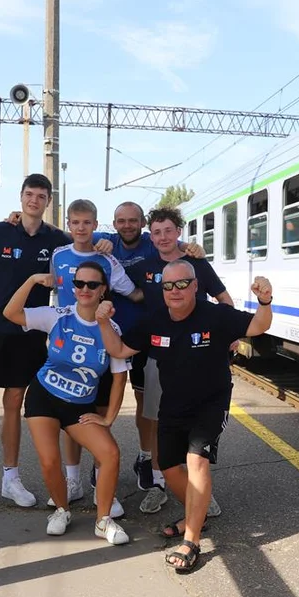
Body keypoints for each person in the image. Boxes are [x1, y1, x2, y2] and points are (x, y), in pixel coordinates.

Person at [96, 262, 274, 572]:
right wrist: (102, 321)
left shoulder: (216, 315)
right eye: (168, 286)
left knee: (196, 460)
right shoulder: (155, 320)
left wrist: (265, 301)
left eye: (182, 284)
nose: (175, 291)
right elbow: (120, 350)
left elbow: (259, 326)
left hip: (211, 403)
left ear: (195, 286)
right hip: (173, 404)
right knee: (167, 466)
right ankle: (197, 517)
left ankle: (191, 540)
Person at [0, 173, 70, 521]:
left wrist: (103, 243)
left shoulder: (56, 241)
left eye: (41, 196)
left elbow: (83, 242)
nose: (34, 200)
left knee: (14, 405)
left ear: (48, 202)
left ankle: (11, 478)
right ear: (21, 197)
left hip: (28, 332)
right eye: (29, 194)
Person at [3, 261, 131, 545]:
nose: (84, 289)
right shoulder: (57, 315)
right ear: (73, 288)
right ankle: (62, 510)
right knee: (50, 461)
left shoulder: (111, 328)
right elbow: (11, 313)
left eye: (92, 284)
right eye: (79, 283)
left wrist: (108, 418)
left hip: (80, 406)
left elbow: (119, 378)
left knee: (110, 453)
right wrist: (32, 280)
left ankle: (103, 521)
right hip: (44, 397)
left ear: (103, 290)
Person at [92, 202, 206, 510]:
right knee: (107, 403)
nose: (127, 225)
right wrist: (22, 218)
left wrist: (191, 247)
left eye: (133, 220)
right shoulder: (106, 240)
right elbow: (74, 231)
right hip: (115, 335)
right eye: (121, 221)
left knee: (152, 406)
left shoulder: (151, 241)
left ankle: (150, 461)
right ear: (113, 223)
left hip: (150, 339)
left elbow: (173, 247)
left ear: (142, 223)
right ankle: (103, 461)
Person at [127, 207, 233, 516]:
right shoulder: (144, 267)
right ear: (150, 236)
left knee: (199, 427)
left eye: (168, 231)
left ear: (179, 232)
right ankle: (158, 483)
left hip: (200, 358)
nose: (163, 237)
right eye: (156, 232)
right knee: (158, 420)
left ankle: (199, 491)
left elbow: (224, 300)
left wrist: (230, 333)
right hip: (159, 357)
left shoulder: (196, 264)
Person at [45, 199, 143, 517]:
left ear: (95, 225)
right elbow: (54, 291)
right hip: (66, 348)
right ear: (68, 224)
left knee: (98, 418)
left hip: (99, 347)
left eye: (87, 222)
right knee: (69, 420)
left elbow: (134, 292)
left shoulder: (107, 259)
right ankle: (73, 482)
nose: (81, 228)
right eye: (75, 222)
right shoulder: (59, 255)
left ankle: (104, 488)